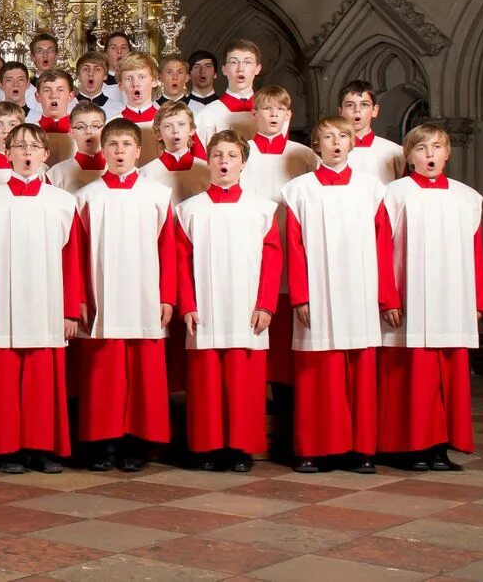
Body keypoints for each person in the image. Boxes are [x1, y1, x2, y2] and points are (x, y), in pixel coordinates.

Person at [0, 124, 81, 474]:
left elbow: (71, 260)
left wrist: (69, 312)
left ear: (45, 154)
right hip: (3, 305)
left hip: (48, 305)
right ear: (8, 154)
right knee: (3, 380)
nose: (26, 153)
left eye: (33, 146)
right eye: (19, 147)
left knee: (42, 380)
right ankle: (8, 449)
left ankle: (42, 448)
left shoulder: (63, 202)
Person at [283, 117, 390, 474]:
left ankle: (361, 450)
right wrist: (300, 296)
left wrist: (385, 297)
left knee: (359, 373)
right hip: (318, 291)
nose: (335, 142)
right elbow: (294, 248)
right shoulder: (299, 190)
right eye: (327, 137)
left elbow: (383, 245)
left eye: (342, 136)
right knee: (318, 373)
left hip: (360, 290)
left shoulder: (371, 188)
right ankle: (313, 448)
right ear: (316, 145)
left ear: (352, 142)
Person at [377, 123, 483, 472]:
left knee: (449, 378)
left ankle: (440, 447)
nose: (430, 155)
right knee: (412, 377)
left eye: (436, 147)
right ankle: (410, 448)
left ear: (447, 153)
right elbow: (381, 250)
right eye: (422, 149)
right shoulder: (394, 194)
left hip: (453, 301)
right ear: (408, 156)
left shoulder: (466, 197)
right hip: (410, 302)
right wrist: (388, 298)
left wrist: (478, 302)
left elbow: (476, 252)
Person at [175, 130, 281, 472]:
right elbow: (180, 261)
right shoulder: (189, 210)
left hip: (247, 307)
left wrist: (265, 304)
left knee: (243, 381)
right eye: (217, 155)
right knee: (205, 381)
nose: (224, 162)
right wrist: (188, 304)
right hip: (204, 307)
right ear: (208, 160)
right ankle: (207, 447)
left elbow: (273, 259)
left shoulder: (262, 209)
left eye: (232, 156)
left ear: (244, 163)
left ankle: (240, 448)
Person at [73, 118, 176, 472]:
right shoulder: (86, 197)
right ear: (103, 150)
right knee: (105, 373)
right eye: (112, 145)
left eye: (126, 145)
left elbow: (168, 249)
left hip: (145, 293)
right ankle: (105, 443)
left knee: (143, 372)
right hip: (102, 294)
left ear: (139, 150)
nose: (119, 152)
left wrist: (167, 296)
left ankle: (137, 442)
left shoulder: (158, 195)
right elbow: (77, 252)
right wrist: (81, 298)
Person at [239, 85, 318, 396]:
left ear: (288, 115)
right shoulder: (241, 151)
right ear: (254, 114)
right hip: (251, 249)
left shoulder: (305, 155)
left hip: (292, 248)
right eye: (266, 109)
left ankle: (287, 405)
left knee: (288, 335)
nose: (273, 115)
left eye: (279, 110)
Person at [194, 40, 263, 144]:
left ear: (257, 69)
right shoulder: (205, 116)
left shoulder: (269, 114)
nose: (240, 69)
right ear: (224, 69)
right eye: (234, 62)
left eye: (247, 62)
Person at [139, 101, 210, 203]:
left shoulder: (206, 170)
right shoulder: (146, 173)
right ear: (158, 134)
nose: (175, 130)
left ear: (192, 130)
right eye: (168, 126)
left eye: (181, 124)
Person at [339, 80, 406, 184]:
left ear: (375, 110)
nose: (357, 110)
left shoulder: (396, 152)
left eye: (364, 104)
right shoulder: (329, 152)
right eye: (349, 105)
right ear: (340, 112)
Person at [48, 101, 107, 193]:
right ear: (71, 132)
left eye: (95, 126)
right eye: (81, 127)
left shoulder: (119, 168)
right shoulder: (56, 173)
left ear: (105, 131)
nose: (88, 131)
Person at [116, 53, 163, 162]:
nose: (135, 84)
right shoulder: (112, 125)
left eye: (141, 77)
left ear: (155, 81)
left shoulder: (168, 123)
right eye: (128, 78)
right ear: (121, 85)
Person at [33, 69, 77, 165]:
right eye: (47, 90)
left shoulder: (80, 132)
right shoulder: (29, 132)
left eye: (60, 90)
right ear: (38, 96)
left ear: (71, 96)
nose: (53, 95)